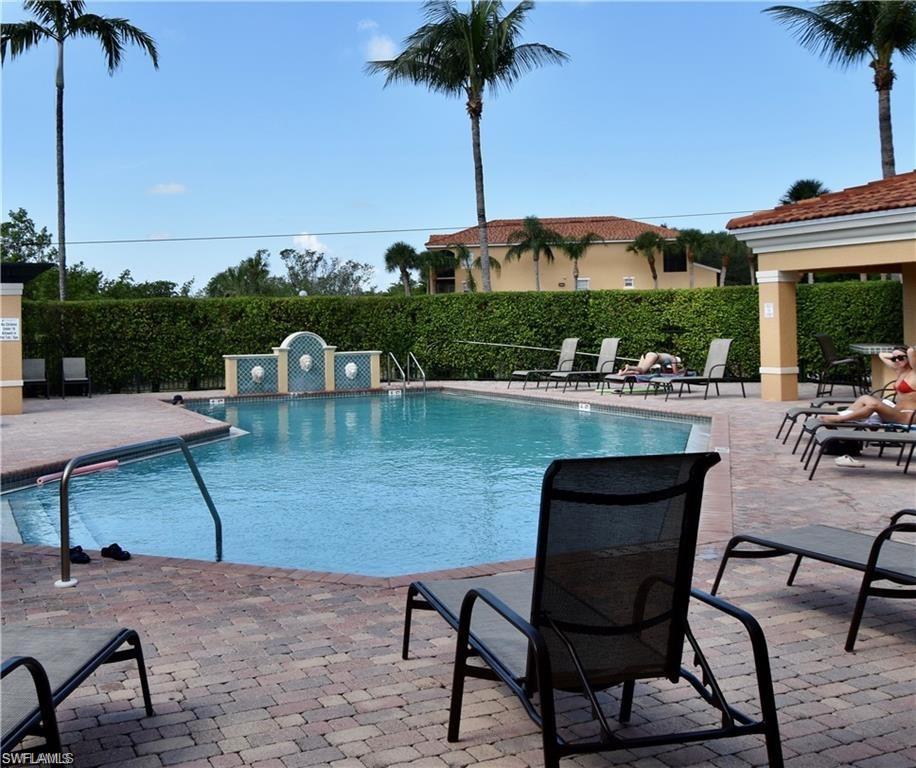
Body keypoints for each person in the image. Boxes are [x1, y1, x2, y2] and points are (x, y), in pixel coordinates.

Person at [820, 345, 916, 424]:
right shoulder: (900, 370)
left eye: (900, 358)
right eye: (894, 359)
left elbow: (911, 351)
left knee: (874, 405)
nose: (897, 361)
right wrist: (897, 356)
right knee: (865, 398)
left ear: (909, 358)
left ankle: (840, 419)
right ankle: (843, 416)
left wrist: (907, 354)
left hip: (908, 416)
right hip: (895, 411)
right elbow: (882, 355)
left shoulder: (914, 373)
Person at [618, 351, 682, 375]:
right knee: (642, 370)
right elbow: (675, 372)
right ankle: (629, 367)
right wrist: (681, 371)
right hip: (653, 356)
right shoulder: (673, 359)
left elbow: (664, 370)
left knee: (638, 371)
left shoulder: (667, 357)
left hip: (648, 354)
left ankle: (623, 372)